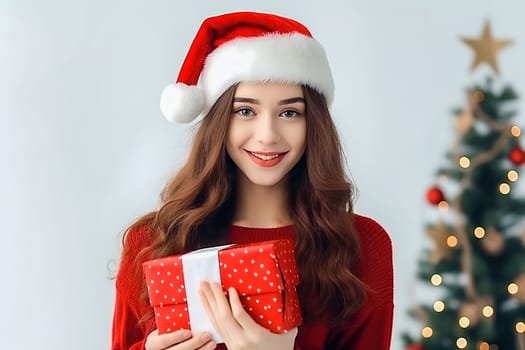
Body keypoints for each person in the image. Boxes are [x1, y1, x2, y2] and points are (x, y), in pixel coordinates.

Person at [111, 11, 394, 350]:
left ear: (312, 124)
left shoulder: (362, 246)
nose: (267, 135)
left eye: (289, 113)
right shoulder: (151, 243)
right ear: (219, 122)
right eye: (245, 111)